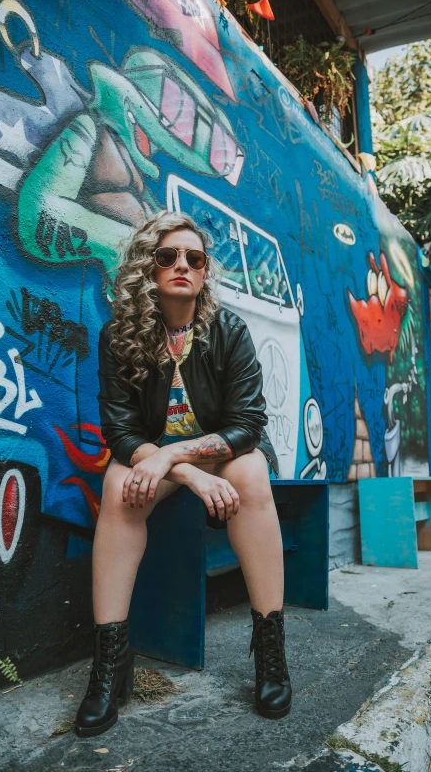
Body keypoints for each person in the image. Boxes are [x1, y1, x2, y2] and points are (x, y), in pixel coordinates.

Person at [75, 211, 291, 737]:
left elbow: (247, 423)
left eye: (194, 258)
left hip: (225, 451)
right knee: (118, 484)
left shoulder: (228, 330)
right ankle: (109, 665)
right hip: (162, 456)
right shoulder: (119, 336)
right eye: (168, 256)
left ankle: (271, 654)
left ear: (204, 272)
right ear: (148, 268)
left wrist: (181, 457)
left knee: (253, 476)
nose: (182, 266)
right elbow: (120, 432)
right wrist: (183, 471)